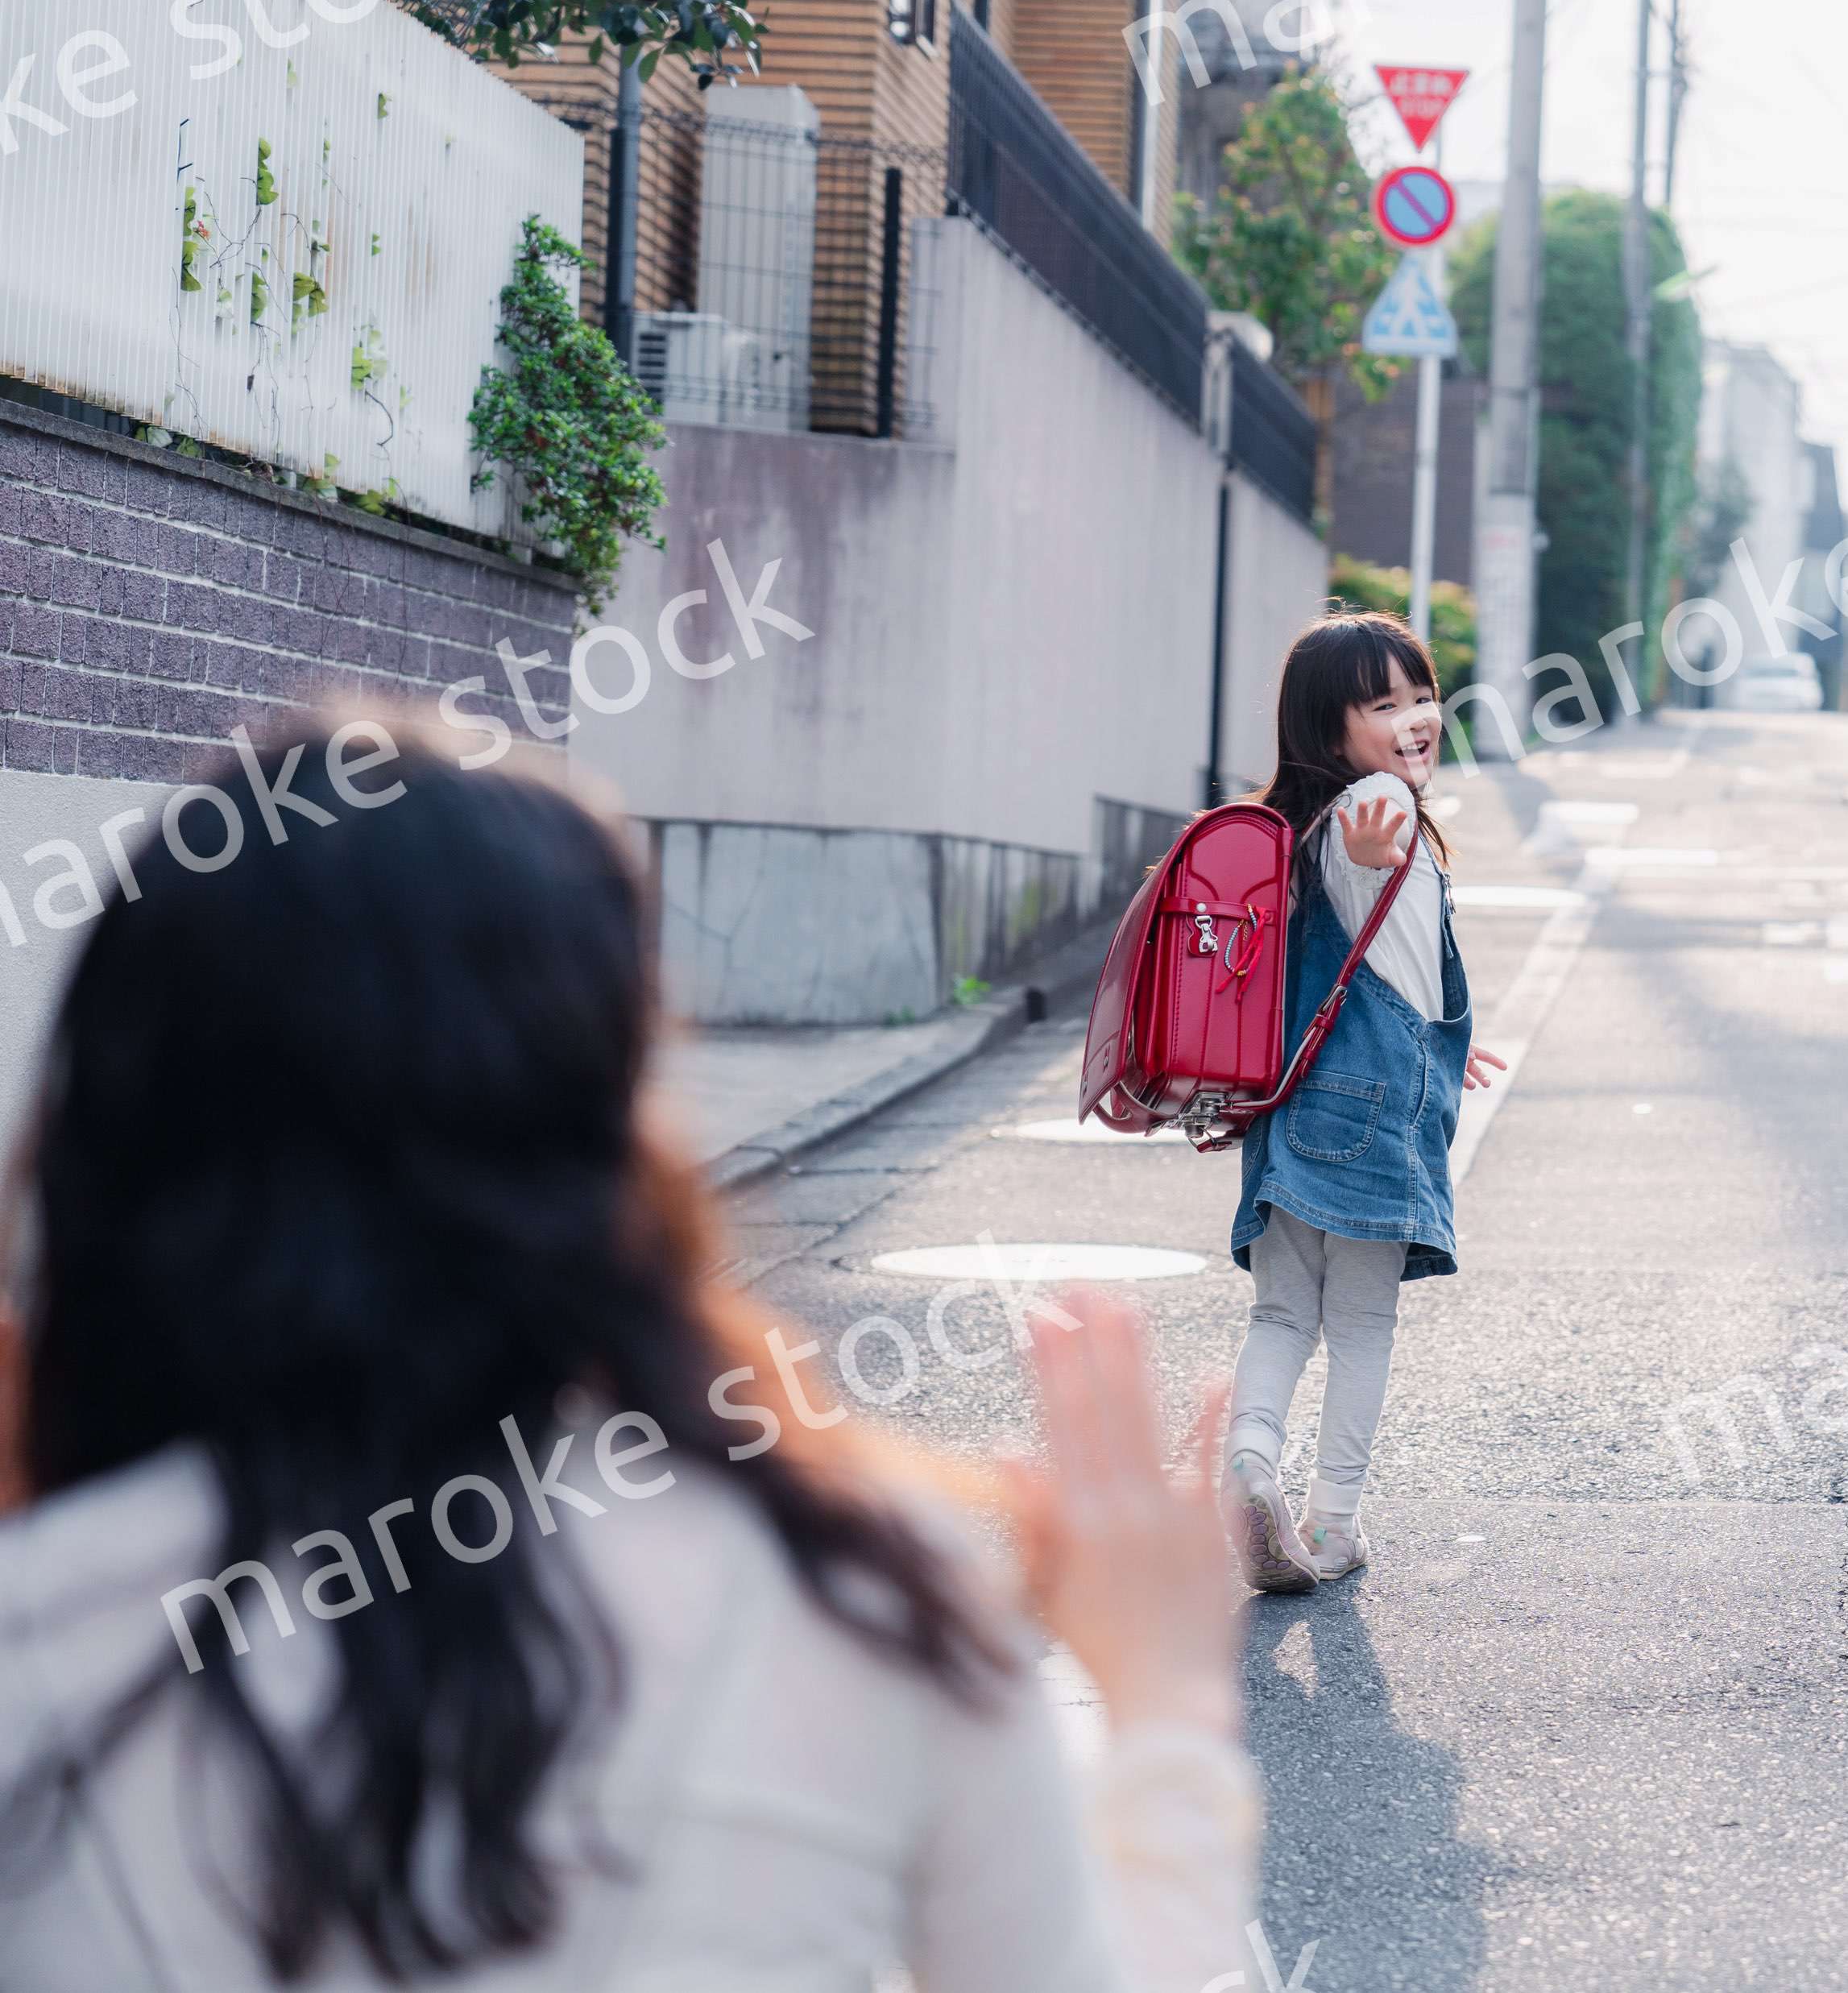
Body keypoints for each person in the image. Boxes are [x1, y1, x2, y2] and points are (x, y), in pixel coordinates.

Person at [0, 708, 1256, 1991]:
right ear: (605, 1125)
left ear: (107, 1131)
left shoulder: (47, 1632)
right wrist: (1165, 1705)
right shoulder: (871, 1600)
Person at [1223, 615, 1504, 1595]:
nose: (1416, 718)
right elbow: (1374, 844)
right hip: (1372, 1120)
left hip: (1294, 1106)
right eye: (1382, 706)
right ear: (1329, 731)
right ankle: (1333, 1521)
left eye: (1419, 694)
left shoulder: (1294, 825)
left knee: (1280, 1317)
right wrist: (1381, 838)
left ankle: (1250, 1463)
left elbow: (1365, 967)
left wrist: (1450, 1045)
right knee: (1363, 1327)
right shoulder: (1377, 806)